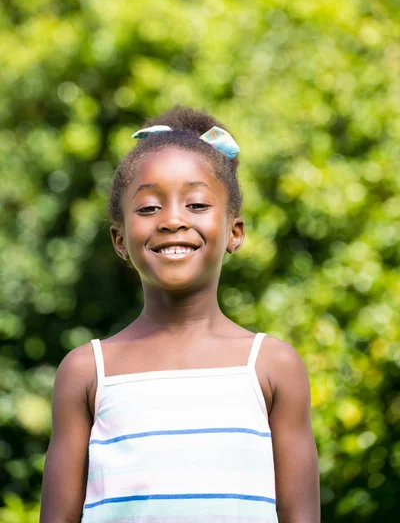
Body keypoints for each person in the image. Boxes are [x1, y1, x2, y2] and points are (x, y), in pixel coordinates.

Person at [40, 106, 320, 523]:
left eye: (196, 204)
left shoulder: (273, 366)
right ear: (119, 239)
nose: (172, 220)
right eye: (149, 208)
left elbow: (299, 514)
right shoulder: (86, 371)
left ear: (234, 231)